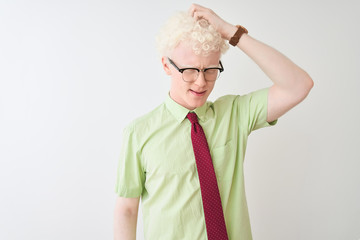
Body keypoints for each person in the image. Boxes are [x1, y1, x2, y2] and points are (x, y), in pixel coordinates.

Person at [114, 4, 313, 240]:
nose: (201, 82)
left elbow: (298, 85)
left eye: (210, 70)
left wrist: (232, 33)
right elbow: (127, 209)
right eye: (189, 70)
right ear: (167, 65)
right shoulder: (138, 132)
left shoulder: (235, 114)